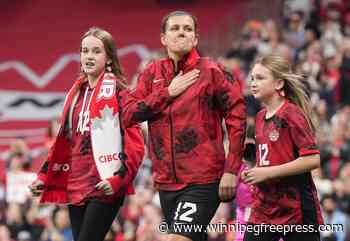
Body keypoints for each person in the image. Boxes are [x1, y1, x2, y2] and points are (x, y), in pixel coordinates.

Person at [122, 11, 246, 241]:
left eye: (188, 29)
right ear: (163, 38)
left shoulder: (212, 71)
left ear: (195, 39)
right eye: (175, 28)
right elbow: (128, 114)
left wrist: (231, 170)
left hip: (204, 178)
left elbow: (238, 118)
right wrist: (167, 92)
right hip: (166, 183)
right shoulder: (151, 73)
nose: (181, 32)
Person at [28, 27, 144, 241]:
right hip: (75, 184)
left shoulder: (120, 92)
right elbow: (63, 141)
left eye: (96, 51)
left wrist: (118, 180)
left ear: (109, 58)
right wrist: (44, 176)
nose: (89, 56)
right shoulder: (74, 93)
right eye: (85, 51)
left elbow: (135, 144)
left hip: (104, 184)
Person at [242, 54, 323, 241]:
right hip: (264, 208)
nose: (253, 82)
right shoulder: (260, 117)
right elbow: (270, 157)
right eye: (252, 78)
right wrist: (254, 171)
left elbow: (312, 159)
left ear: (279, 84)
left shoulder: (292, 114)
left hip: (296, 210)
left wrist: (268, 172)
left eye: (260, 78)